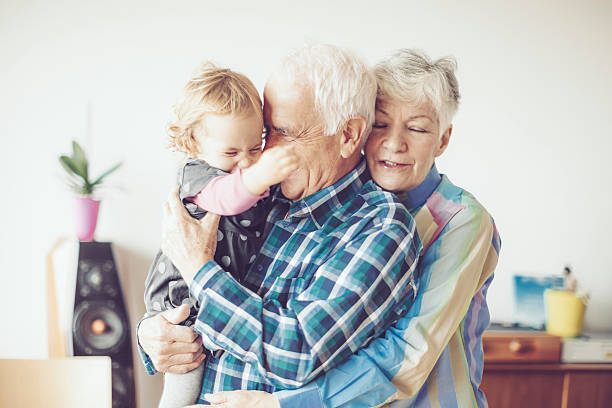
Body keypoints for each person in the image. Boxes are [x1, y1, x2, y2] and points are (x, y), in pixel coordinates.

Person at [200, 50, 501, 407]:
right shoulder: (298, 196)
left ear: (443, 139)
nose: (393, 143)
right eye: (380, 124)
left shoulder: (459, 219)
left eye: (417, 128)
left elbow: (406, 354)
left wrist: (284, 404)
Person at [139, 44, 423, 403]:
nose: (266, 153)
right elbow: (173, 276)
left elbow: (298, 352)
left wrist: (199, 269)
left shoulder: (380, 227)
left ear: (348, 135)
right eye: (264, 134)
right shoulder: (258, 194)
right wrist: (152, 333)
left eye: (284, 132)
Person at [143, 61, 299, 408]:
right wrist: (262, 174)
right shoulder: (198, 176)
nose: (244, 162)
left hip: (219, 303)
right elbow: (226, 198)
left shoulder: (249, 177)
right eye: (231, 152)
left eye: (254, 147)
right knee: (183, 386)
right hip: (185, 306)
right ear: (193, 142)